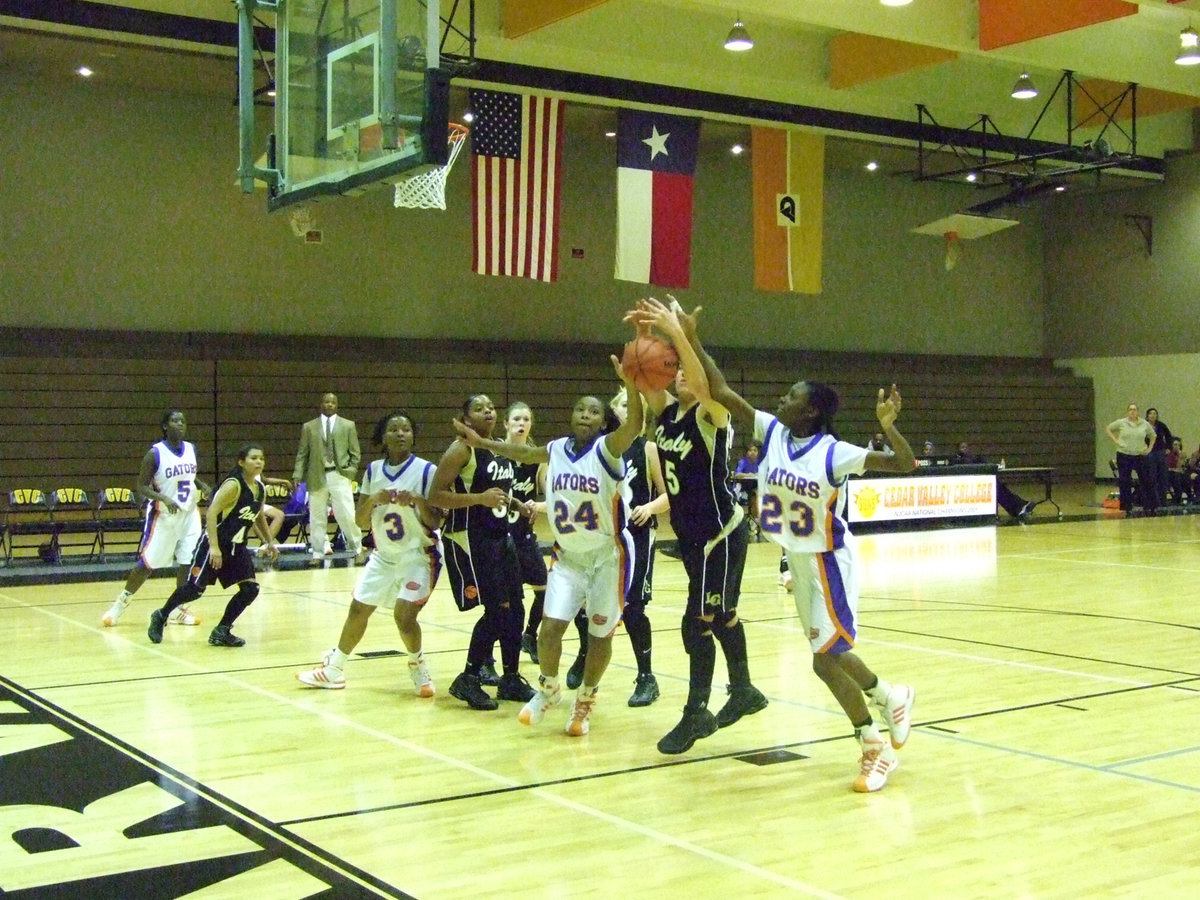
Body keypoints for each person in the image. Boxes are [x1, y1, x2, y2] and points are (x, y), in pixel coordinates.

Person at [652, 297, 918, 792]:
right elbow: (721, 389)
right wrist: (691, 338)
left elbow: (904, 466)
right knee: (829, 653)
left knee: (824, 659)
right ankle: (889, 694)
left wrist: (887, 427)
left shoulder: (835, 453)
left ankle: (872, 744)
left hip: (827, 561)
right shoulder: (771, 432)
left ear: (811, 409)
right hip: (797, 561)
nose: (780, 400)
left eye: (791, 396)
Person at [453, 360, 645, 736]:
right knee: (548, 630)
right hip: (568, 557)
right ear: (570, 416)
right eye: (580, 409)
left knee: (598, 635)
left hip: (609, 556)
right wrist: (483, 443)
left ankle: (585, 700)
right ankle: (549, 689)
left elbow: (636, 425)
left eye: (594, 411)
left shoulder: (609, 449)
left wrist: (632, 384)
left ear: (604, 422)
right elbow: (524, 454)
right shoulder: (557, 448)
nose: (586, 415)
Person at [624, 300, 767, 755]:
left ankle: (696, 713)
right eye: (675, 369)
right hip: (690, 536)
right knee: (721, 614)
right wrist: (645, 340)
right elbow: (646, 385)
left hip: (718, 535)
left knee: (696, 624)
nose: (680, 374)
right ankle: (743, 690)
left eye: (685, 368)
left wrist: (680, 333)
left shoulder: (711, 415)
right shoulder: (666, 414)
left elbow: (706, 383)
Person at [297, 411, 442, 694]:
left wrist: (416, 501)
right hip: (384, 555)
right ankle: (334, 670)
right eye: (394, 430)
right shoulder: (373, 471)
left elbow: (436, 521)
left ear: (413, 436)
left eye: (406, 429)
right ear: (383, 437)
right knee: (358, 609)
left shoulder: (427, 470)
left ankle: (417, 664)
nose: (401, 434)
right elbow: (361, 521)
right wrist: (374, 499)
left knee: (404, 616)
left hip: (419, 555)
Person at [430, 394, 534, 710]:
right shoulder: (461, 449)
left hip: (501, 536)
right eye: (479, 408)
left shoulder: (495, 448)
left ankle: (511, 678)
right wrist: (478, 499)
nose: (487, 411)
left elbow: (497, 492)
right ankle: (469, 678)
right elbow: (435, 496)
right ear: (464, 417)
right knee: (498, 610)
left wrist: (513, 503)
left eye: (490, 407)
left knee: (516, 608)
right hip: (470, 538)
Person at [147, 442, 278, 647]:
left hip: (237, 547)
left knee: (250, 589)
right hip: (214, 543)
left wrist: (269, 541)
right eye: (253, 458)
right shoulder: (233, 485)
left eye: (261, 458)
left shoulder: (260, 488)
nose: (259, 461)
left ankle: (222, 631)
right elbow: (211, 513)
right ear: (241, 462)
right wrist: (215, 547)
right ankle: (161, 615)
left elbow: (258, 515)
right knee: (194, 590)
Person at [102, 409, 211, 628]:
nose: (180, 424)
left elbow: (188, 475)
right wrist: (163, 497)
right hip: (164, 516)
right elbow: (141, 487)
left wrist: (201, 485)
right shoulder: (155, 453)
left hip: (189, 515)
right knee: (147, 564)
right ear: (164, 426)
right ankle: (120, 604)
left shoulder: (191, 449)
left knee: (187, 562)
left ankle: (178, 609)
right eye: (174, 420)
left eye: (183, 420)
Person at [502, 403, 550, 668]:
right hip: (499, 537)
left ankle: (530, 635)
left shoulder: (536, 459)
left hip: (523, 536)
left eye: (526, 419)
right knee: (505, 603)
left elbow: (551, 497)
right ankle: (489, 656)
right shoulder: (497, 456)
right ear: (506, 424)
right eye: (516, 418)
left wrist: (537, 506)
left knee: (544, 591)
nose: (522, 423)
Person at [292, 392, 363, 561]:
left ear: (337, 405)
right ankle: (317, 553)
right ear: (321, 404)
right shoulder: (309, 427)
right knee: (316, 517)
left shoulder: (348, 425)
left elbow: (355, 452)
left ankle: (357, 549)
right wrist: (297, 474)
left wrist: (350, 471)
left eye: (332, 402)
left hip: (339, 474)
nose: (329, 404)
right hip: (317, 475)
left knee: (346, 514)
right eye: (326, 402)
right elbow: (302, 453)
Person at [952, 441, 1036, 520]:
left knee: (1000, 486)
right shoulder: (957, 459)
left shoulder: (974, 457)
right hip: (969, 485)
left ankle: (1020, 506)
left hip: (982, 483)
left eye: (967, 447)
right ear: (958, 449)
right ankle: (1017, 508)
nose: (965, 449)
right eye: (963, 447)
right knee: (997, 489)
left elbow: (985, 464)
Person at [1105, 403, 1156, 514]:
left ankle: (1149, 505)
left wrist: (1149, 449)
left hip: (1140, 454)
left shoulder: (1144, 423)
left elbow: (1153, 435)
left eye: (1134, 409)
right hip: (1124, 454)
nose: (1132, 412)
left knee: (1146, 479)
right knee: (1124, 480)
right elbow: (1109, 428)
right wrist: (1116, 440)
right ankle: (1126, 506)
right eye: (1130, 409)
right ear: (1127, 411)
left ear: (1138, 411)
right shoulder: (1121, 422)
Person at [1145, 408, 1173, 508]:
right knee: (1152, 477)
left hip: (1160, 452)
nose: (1152, 415)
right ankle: (1152, 501)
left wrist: (1169, 448)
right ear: (1147, 416)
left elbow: (1169, 436)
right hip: (1149, 453)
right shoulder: (1143, 426)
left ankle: (1162, 501)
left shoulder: (1161, 425)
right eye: (1150, 414)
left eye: (1154, 414)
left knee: (1163, 477)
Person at [1165, 437, 1191, 505]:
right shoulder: (1167, 454)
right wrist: (1174, 470)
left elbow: (1179, 467)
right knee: (1176, 476)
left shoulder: (1181, 455)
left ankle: (1189, 496)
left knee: (1184, 476)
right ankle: (1178, 497)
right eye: (1175, 444)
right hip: (1168, 474)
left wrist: (1180, 455)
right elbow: (1165, 467)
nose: (1177, 446)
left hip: (1178, 474)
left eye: (1178, 445)